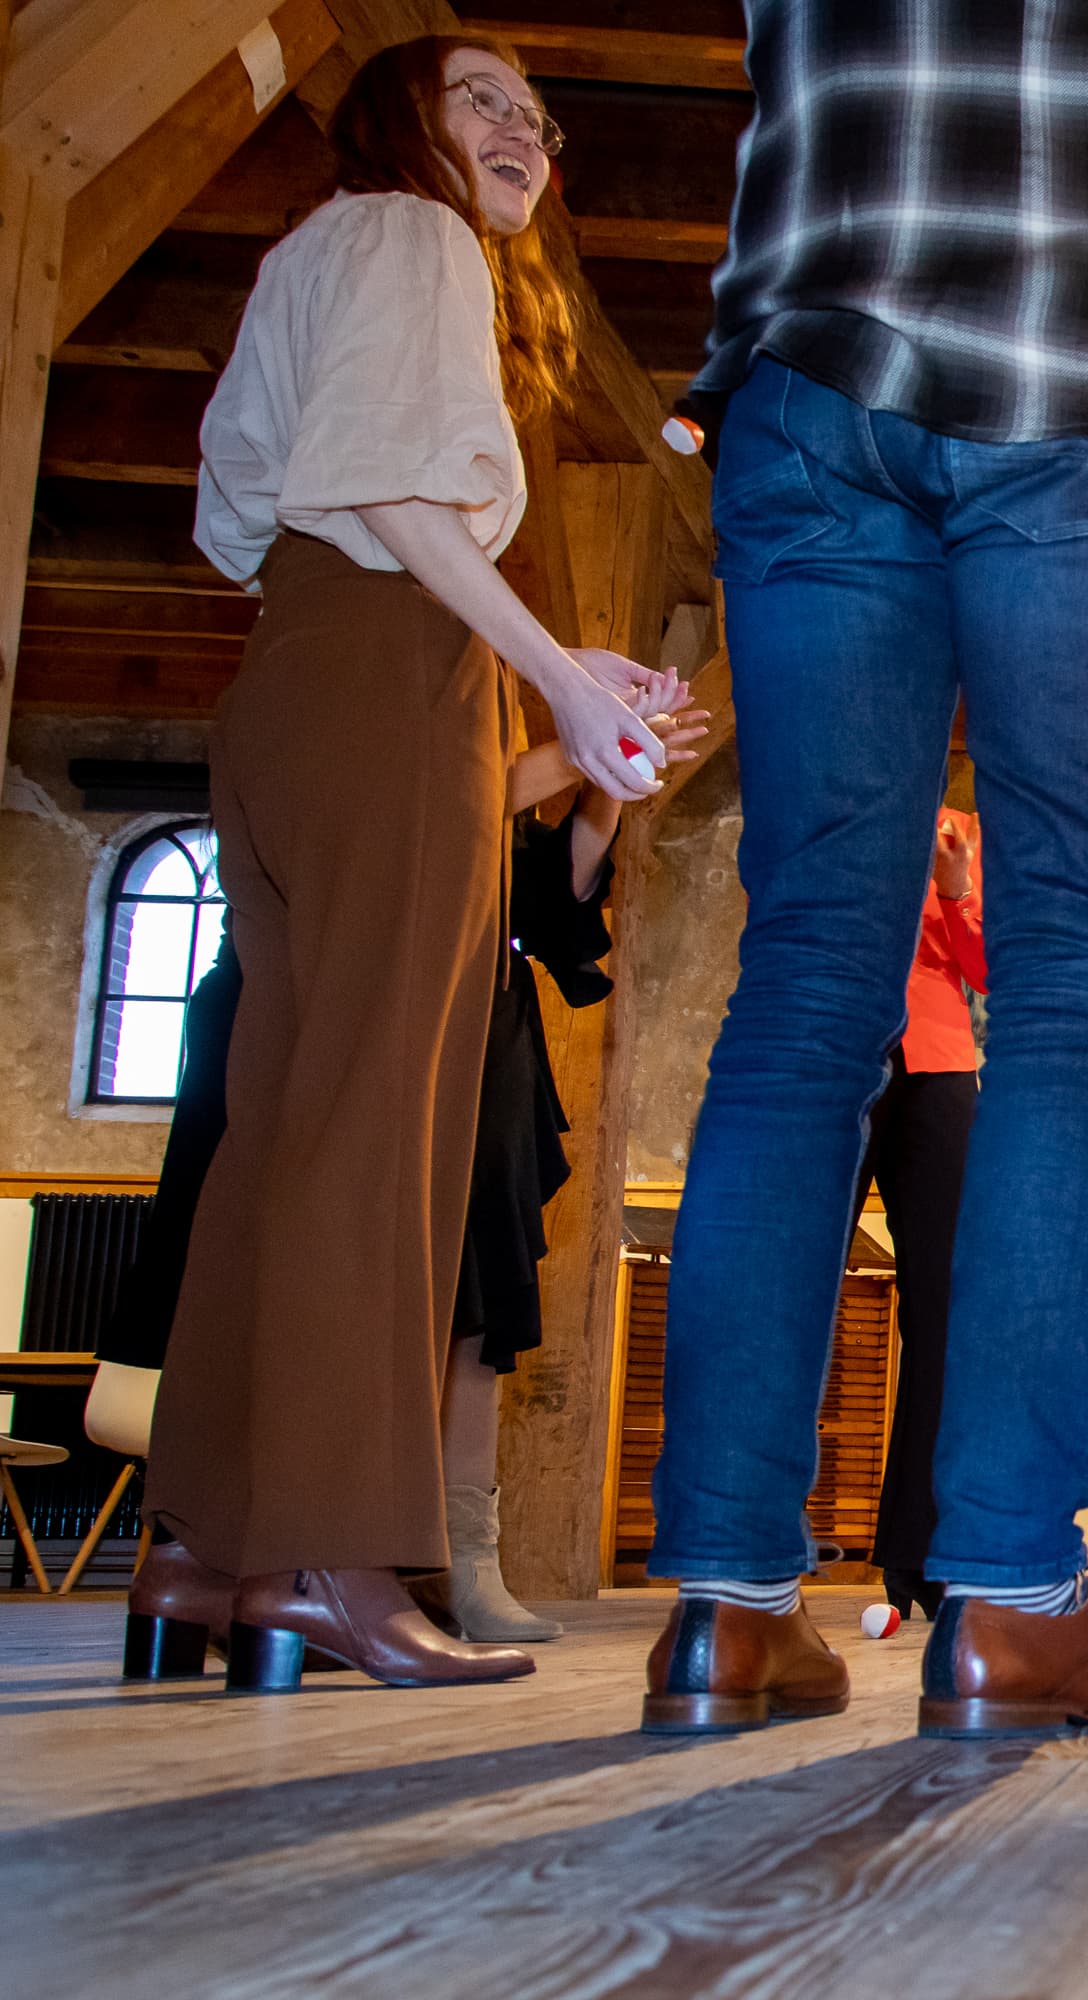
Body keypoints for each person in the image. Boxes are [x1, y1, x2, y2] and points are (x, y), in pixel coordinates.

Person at [638, 0, 1088, 1739]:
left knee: (806, 982)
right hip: (1087, 376)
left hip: (811, 382)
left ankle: (725, 1613)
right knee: (1080, 982)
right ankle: (1015, 1597)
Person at [136, 34, 664, 1694]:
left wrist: (547, 683)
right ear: (402, 122)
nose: (527, 133)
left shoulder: (318, 253)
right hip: (390, 677)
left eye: (542, 117)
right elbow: (391, 491)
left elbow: (246, 514)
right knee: (389, 1128)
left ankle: (199, 1551)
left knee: (279, 1124)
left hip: (298, 666)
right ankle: (327, 1557)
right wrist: (568, 680)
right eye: (486, 100)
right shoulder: (412, 236)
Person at [113, 702, 709, 1675]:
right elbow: (425, 806)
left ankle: (420, 1558)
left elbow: (555, 904)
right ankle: (250, 1555)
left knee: (472, 1297)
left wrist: (609, 772)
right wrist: (579, 743)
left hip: (479, 1022)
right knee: (302, 1262)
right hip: (346, 1003)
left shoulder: (490, 796)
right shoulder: (390, 737)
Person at [851, 798, 985, 1623]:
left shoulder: (961, 829)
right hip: (837, 1045)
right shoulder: (830, 790)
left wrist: (957, 887)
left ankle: (924, 1556)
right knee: (797, 1298)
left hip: (937, 1065)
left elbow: (988, 969)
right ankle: (758, 1560)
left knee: (946, 1312)